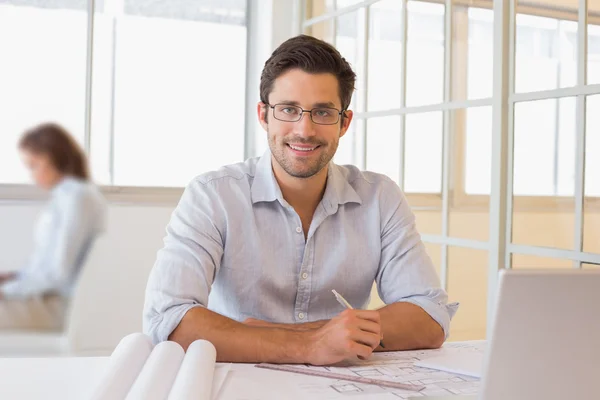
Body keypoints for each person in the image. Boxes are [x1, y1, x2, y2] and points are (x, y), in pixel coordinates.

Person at [143, 35, 458, 365]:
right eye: (289, 110)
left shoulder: (380, 198)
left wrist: (319, 337)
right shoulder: (212, 195)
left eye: (322, 112)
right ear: (264, 115)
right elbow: (168, 321)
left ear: (344, 122)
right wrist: (310, 345)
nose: (304, 130)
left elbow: (429, 316)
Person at [0, 123, 107, 331]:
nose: (32, 175)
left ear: (54, 156)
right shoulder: (68, 196)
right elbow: (48, 265)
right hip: (45, 296)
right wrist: (16, 276)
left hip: (55, 305)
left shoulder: (78, 197)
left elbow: (58, 275)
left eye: (34, 165)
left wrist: (9, 290)